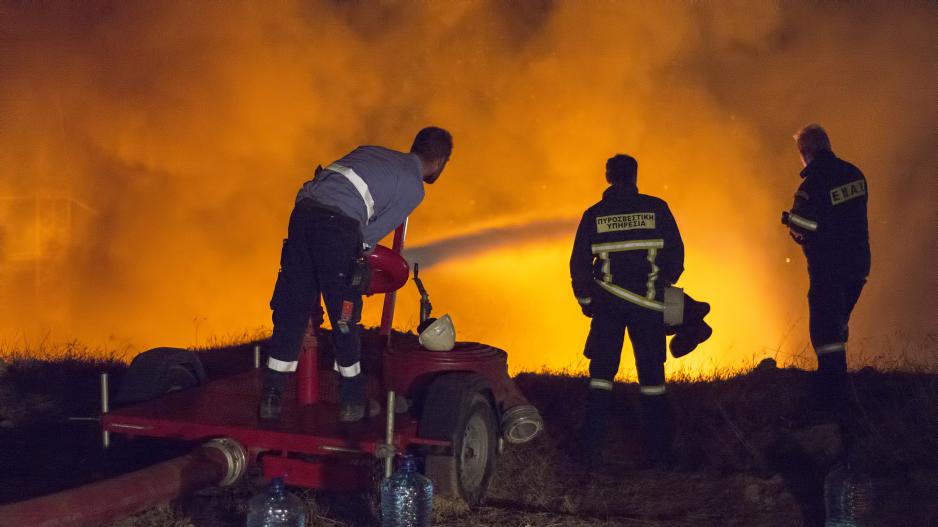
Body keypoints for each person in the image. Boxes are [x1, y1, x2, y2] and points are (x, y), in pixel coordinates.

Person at [260, 127, 453, 422]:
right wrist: (355, 258)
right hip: (337, 228)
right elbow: (369, 234)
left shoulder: (371, 151)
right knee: (345, 316)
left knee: (292, 307)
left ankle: (271, 397)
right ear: (439, 162)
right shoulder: (415, 187)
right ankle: (351, 401)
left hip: (302, 215)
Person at [570, 154, 684, 468]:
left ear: (608, 176)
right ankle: (659, 452)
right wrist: (663, 284)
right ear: (634, 176)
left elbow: (579, 267)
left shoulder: (594, 215)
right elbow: (676, 256)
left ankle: (590, 451)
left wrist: (587, 303)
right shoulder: (657, 208)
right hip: (649, 308)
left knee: (601, 379)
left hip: (607, 308)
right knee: (652, 379)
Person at [782, 123, 869, 411]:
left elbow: (810, 226)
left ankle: (833, 391)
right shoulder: (854, 174)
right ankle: (839, 384)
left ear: (806, 153)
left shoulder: (811, 185)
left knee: (825, 330)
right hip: (857, 263)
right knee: (838, 320)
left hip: (828, 266)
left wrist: (792, 222)